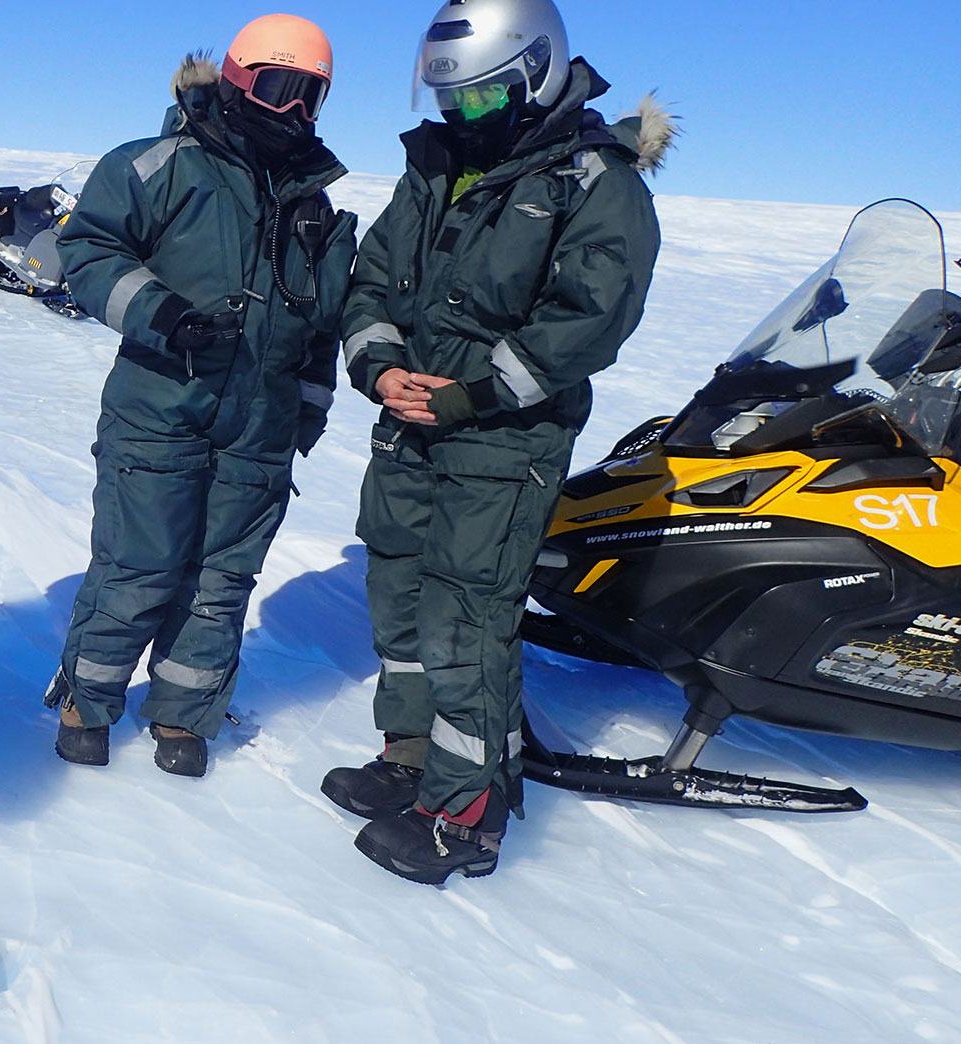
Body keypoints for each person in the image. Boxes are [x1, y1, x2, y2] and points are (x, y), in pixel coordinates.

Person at [320, 0, 671, 884]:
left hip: (503, 444)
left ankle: (464, 812)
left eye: (478, 100)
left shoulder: (595, 182)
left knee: (464, 621)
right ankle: (411, 757)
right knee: (397, 598)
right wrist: (382, 369)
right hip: (411, 429)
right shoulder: (435, 169)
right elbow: (372, 282)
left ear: (535, 72)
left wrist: (474, 396)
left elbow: (587, 323)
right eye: (448, 100)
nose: (458, 118)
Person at [45, 14, 359, 778]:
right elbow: (84, 248)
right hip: (159, 410)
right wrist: (164, 315)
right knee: (138, 566)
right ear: (241, 80)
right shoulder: (160, 166)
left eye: (311, 96)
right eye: (282, 89)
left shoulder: (315, 207)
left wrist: (304, 414)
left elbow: (323, 324)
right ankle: (88, 699)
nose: (295, 113)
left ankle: (185, 714)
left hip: (259, 429)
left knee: (220, 584)